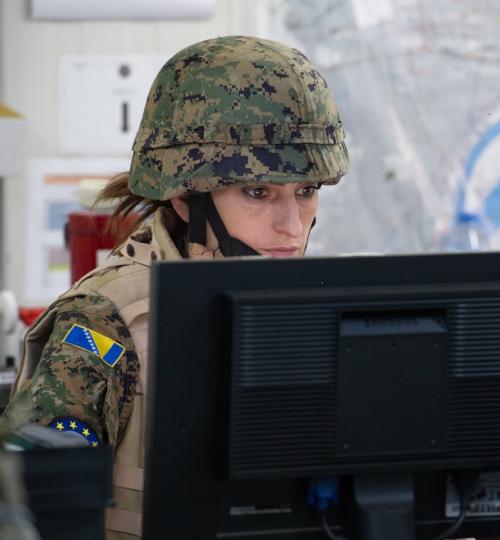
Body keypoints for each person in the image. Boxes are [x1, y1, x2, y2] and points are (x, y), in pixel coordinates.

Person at [2, 35, 349, 539]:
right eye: (258, 192)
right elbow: (33, 513)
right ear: (187, 199)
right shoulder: (107, 320)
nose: (293, 227)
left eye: (306, 192)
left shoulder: (322, 306)